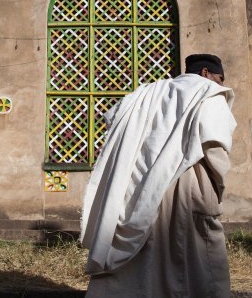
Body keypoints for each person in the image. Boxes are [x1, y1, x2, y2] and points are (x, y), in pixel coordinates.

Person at [80, 53, 237, 297]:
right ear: (206, 72)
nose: (221, 83)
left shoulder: (146, 93)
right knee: (195, 255)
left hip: (139, 181)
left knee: (145, 257)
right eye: (220, 77)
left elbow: (113, 120)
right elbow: (214, 146)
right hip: (190, 179)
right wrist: (217, 186)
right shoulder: (208, 92)